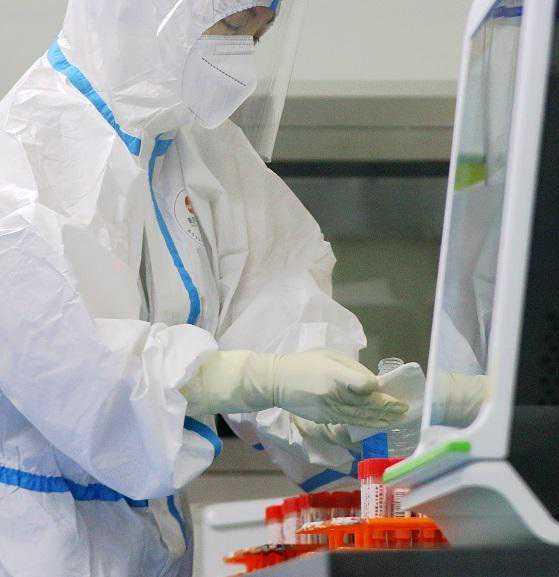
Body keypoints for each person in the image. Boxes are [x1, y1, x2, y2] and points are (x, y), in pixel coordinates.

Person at [0, 2, 409, 576]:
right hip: (34, 546)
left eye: (258, 36)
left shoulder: (199, 148)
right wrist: (252, 378)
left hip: (154, 543)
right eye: (233, 25)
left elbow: (273, 289)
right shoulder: (23, 156)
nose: (242, 57)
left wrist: (333, 411)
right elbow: (78, 369)